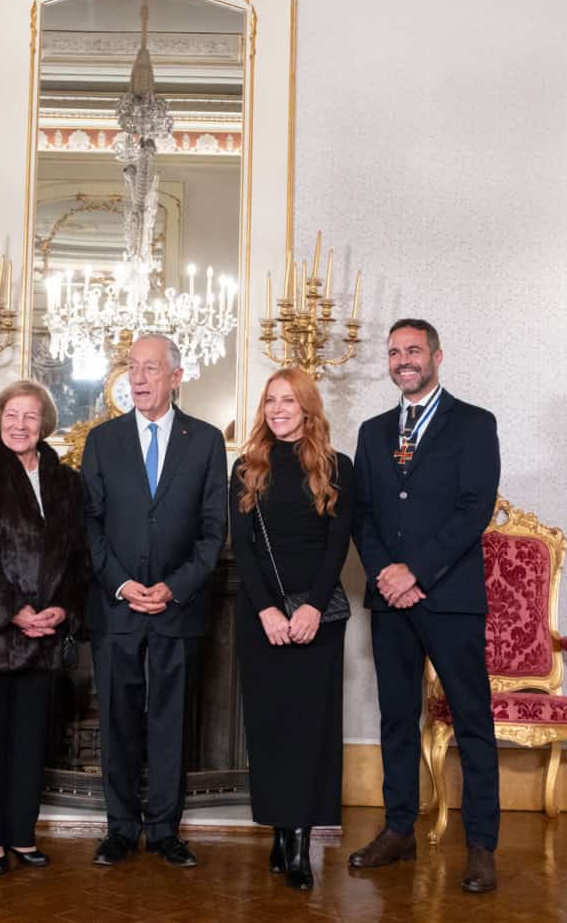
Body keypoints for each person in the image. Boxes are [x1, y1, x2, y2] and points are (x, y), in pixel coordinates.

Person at [349, 318, 502, 893]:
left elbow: (474, 507)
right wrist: (388, 574)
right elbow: (362, 514)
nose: (403, 360)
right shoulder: (372, 430)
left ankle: (482, 846)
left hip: (451, 597)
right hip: (390, 600)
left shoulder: (473, 424)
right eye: (394, 352)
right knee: (395, 718)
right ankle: (397, 830)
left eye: (413, 350)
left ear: (437, 356)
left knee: (472, 721)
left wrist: (418, 571)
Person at [80, 334, 228, 868]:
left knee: (171, 722)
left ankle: (166, 829)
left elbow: (215, 531)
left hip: (178, 607)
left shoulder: (206, 441)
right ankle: (119, 827)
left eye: (150, 369)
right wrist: (121, 583)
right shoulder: (102, 440)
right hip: (116, 605)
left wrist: (175, 586)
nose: (138, 378)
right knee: (118, 720)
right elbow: (89, 523)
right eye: (133, 368)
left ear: (176, 376)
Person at [0, 380, 91, 876]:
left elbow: (78, 557)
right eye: (11, 414)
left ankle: (21, 834)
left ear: (44, 424)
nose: (19, 424)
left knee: (30, 744)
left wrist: (62, 609)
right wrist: (13, 610)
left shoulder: (66, 481)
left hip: (45, 637)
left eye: (30, 416)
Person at [228, 368, 353, 891]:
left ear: (307, 407)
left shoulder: (337, 467)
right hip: (262, 620)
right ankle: (279, 830)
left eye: (288, 400)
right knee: (272, 729)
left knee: (310, 731)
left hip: (316, 620)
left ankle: (300, 843)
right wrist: (268, 613)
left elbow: (337, 546)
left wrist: (310, 610)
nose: (278, 409)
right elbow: (244, 550)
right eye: (271, 401)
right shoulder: (246, 468)